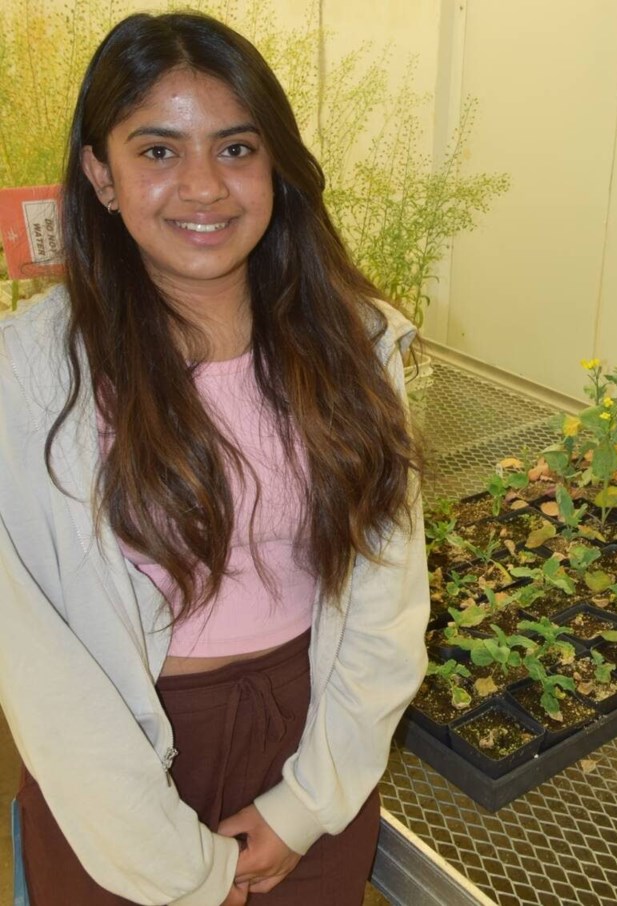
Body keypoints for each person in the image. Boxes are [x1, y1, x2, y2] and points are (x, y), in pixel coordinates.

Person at [0, 11, 429, 905]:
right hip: (119, 773)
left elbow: (388, 600)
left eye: (235, 149)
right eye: (158, 152)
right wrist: (177, 867)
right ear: (101, 175)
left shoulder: (351, 342)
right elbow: (38, 662)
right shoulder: (29, 377)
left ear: (276, 164)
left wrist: (306, 804)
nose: (205, 187)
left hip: (316, 740)